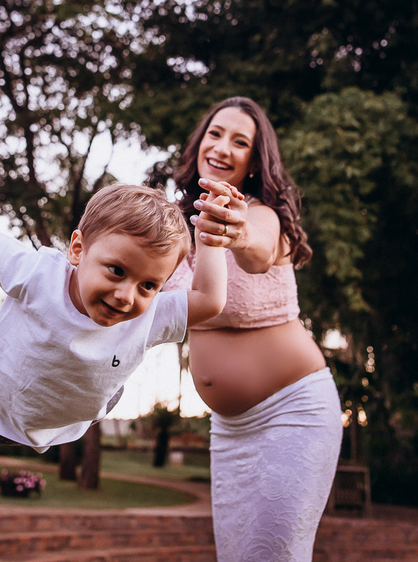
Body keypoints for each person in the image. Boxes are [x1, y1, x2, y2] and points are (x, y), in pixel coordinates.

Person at [0, 181, 231, 451]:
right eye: (116, 271)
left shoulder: (149, 315)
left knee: (114, 380)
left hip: (74, 419)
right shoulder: (38, 274)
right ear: (77, 248)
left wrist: (211, 240)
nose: (126, 295)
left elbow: (209, 300)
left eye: (149, 285)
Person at [164, 96, 342, 562]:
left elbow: (257, 249)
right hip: (229, 429)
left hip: (294, 413)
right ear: (199, 145)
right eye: (215, 134)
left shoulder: (265, 217)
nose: (223, 147)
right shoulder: (174, 230)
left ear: (254, 161)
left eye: (240, 142)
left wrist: (235, 230)